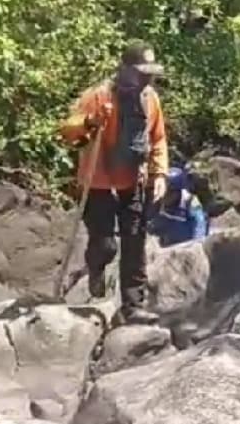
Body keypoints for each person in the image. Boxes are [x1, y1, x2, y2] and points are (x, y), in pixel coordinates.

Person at [59, 40, 169, 324]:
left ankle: (133, 306)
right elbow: (69, 135)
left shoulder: (150, 99)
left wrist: (159, 174)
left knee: (135, 241)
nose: (147, 78)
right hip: (98, 182)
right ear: (126, 70)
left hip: (134, 179)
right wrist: (90, 123)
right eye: (142, 72)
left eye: (150, 73)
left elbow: (157, 139)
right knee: (106, 245)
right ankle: (95, 268)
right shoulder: (99, 96)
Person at [150, 167, 208, 247]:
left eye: (172, 191)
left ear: (178, 191)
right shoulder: (158, 200)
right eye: (166, 191)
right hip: (168, 244)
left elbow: (199, 223)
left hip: (187, 244)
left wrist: (197, 244)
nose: (167, 195)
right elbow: (153, 224)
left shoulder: (188, 200)